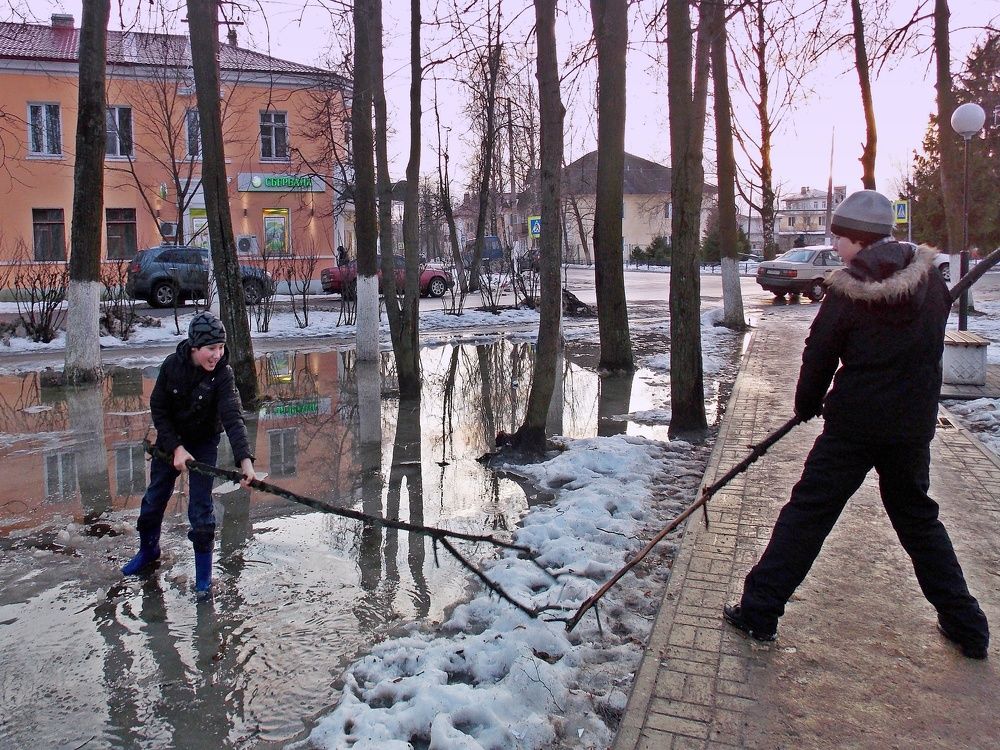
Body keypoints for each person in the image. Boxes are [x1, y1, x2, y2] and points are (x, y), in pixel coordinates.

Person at [723, 189, 990, 660]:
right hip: (911, 425)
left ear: (856, 239)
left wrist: (806, 403)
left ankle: (759, 611)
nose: (836, 247)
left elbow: (820, 351)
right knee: (918, 520)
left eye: (839, 238)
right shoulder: (930, 285)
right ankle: (967, 624)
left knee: (808, 514)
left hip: (854, 427)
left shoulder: (848, 290)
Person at [122, 311, 256, 596]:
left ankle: (204, 579)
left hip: (204, 443)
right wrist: (176, 448)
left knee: (201, 511)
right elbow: (158, 408)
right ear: (195, 348)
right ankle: (148, 552)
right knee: (153, 502)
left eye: (221, 347)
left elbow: (232, 417)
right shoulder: (172, 366)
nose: (217, 354)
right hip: (171, 443)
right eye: (211, 348)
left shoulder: (223, 373)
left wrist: (246, 462)